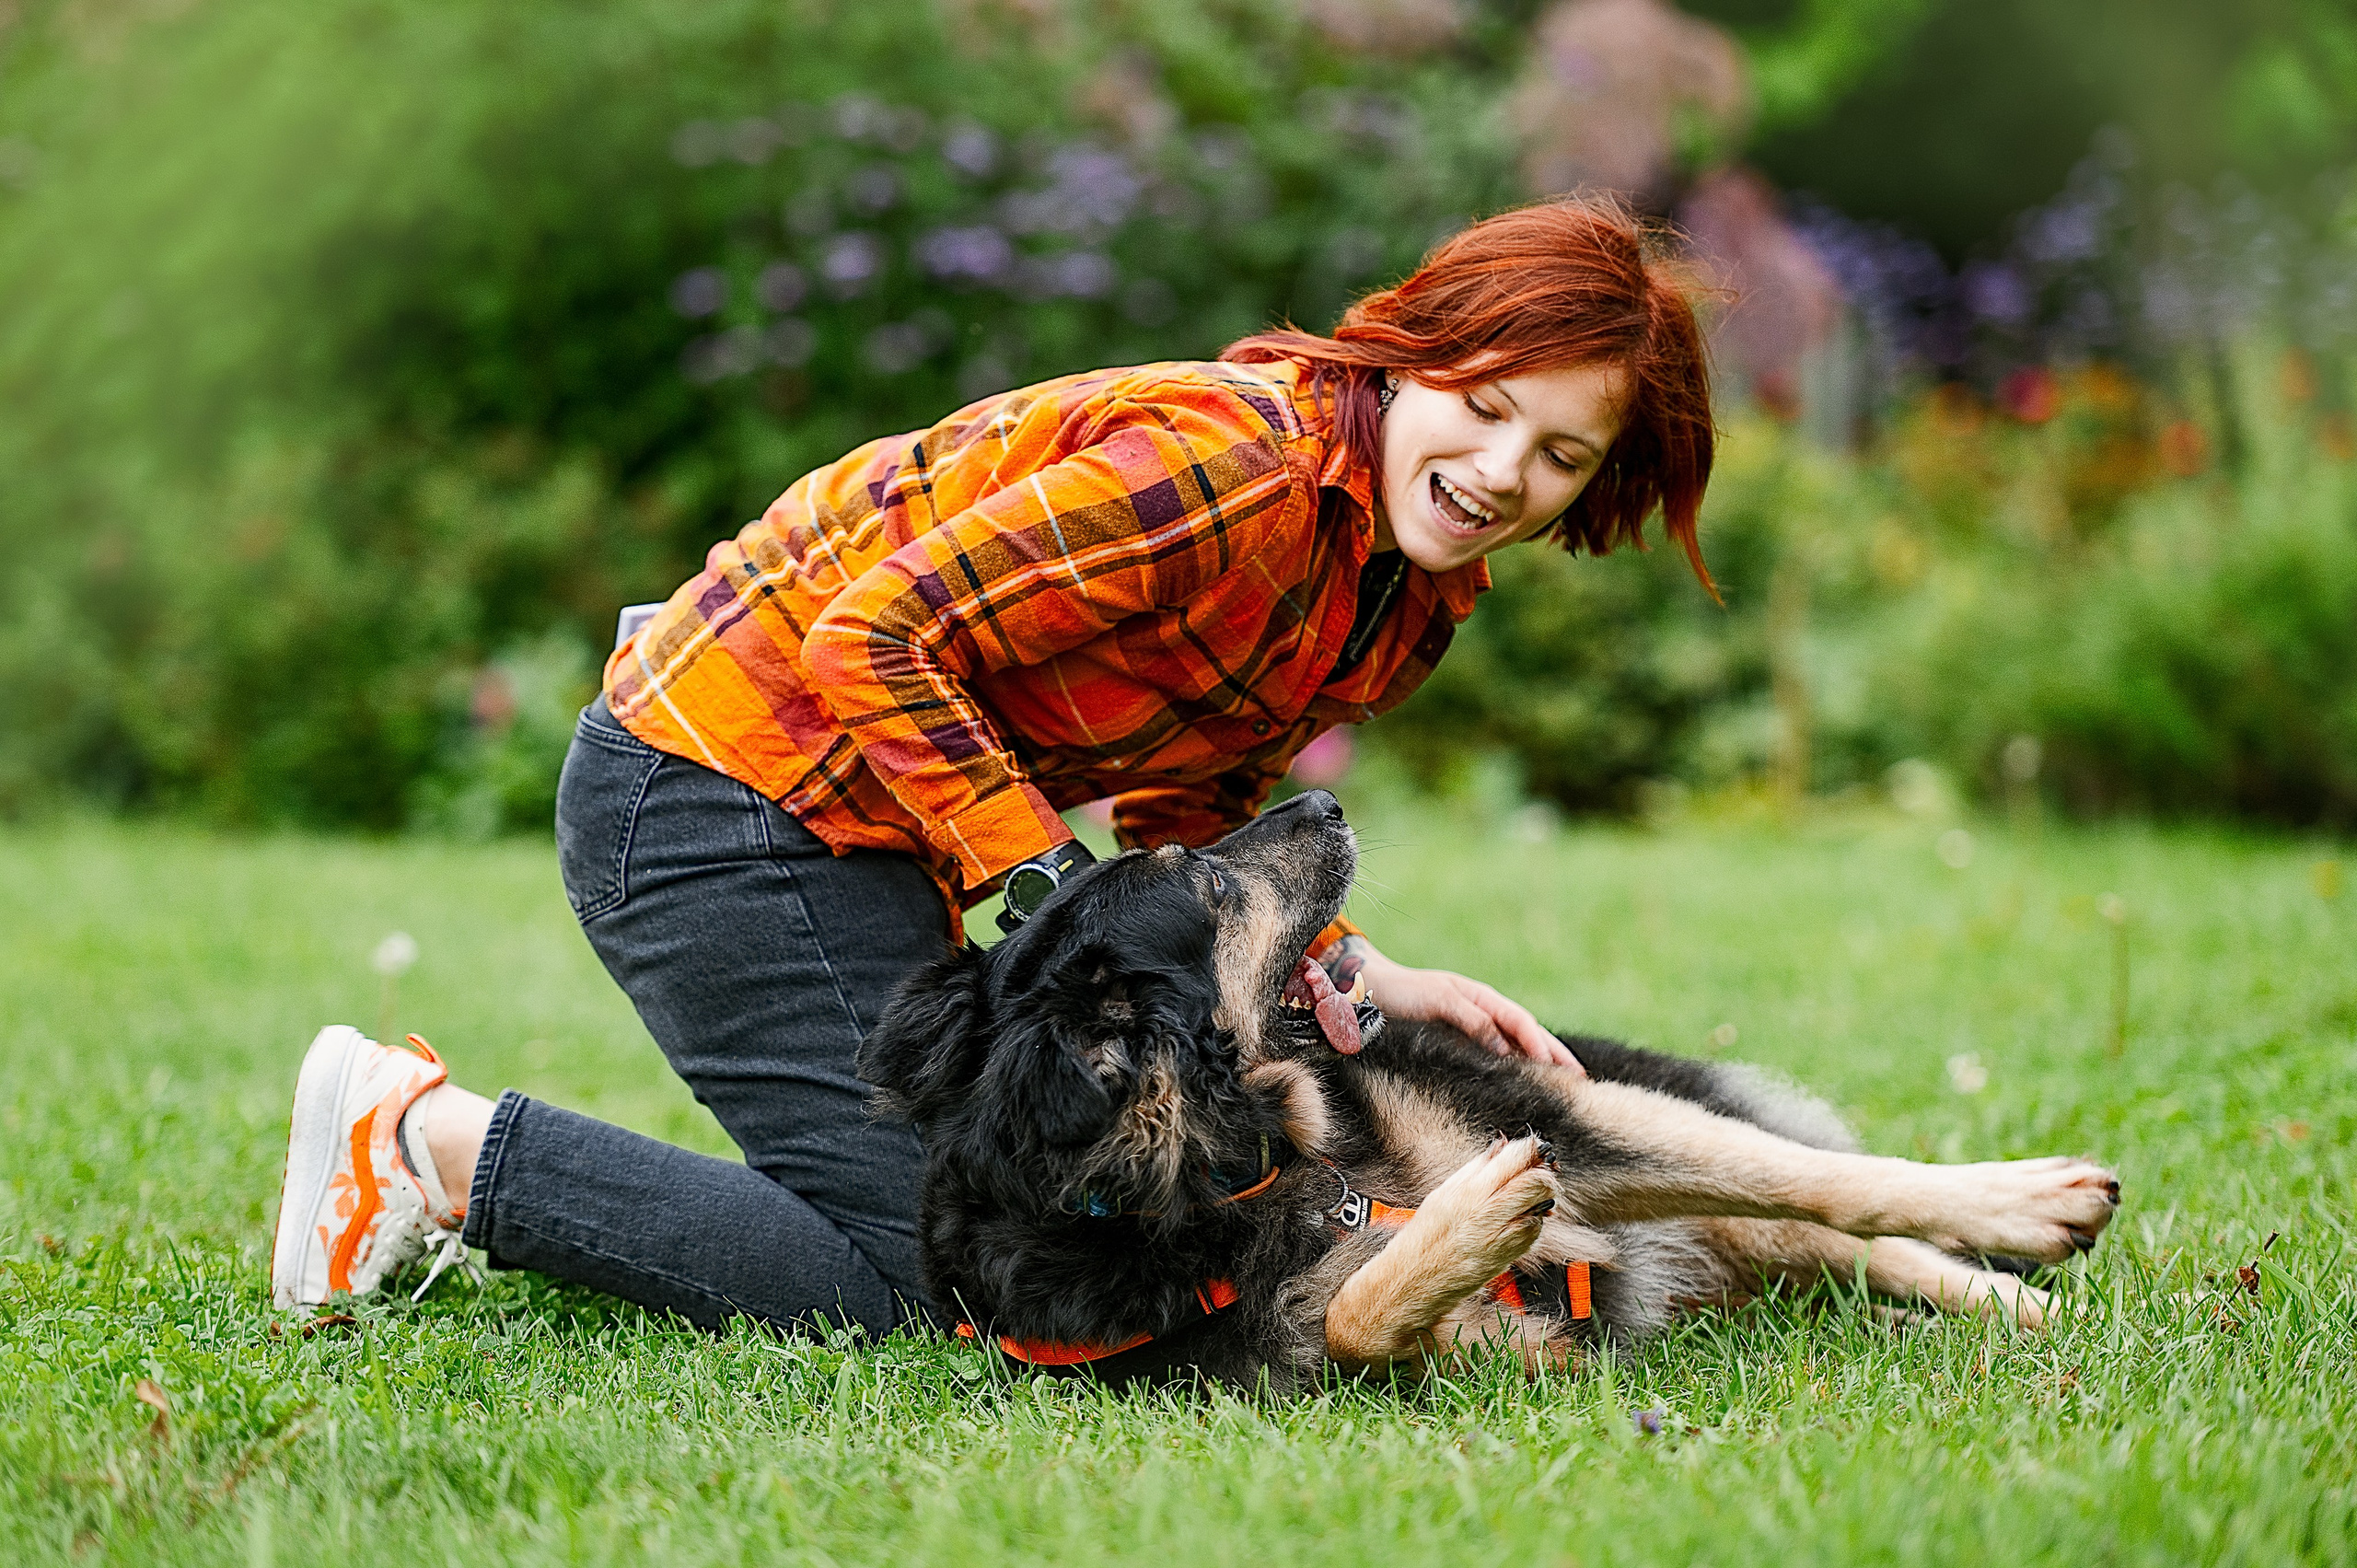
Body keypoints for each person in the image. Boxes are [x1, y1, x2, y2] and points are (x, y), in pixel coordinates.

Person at [268, 195, 1718, 1336]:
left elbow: (1190, 813)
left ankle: (447, 1153)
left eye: (1561, 455)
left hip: (853, 822)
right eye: (1486, 400)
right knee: (942, 1275)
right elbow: (875, 634)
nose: (1502, 470)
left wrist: (1352, 966)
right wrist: (1046, 891)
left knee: (1040, 1223)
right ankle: (424, 1142)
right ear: (1415, 348)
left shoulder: (1400, 587)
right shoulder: (1236, 467)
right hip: (712, 790)